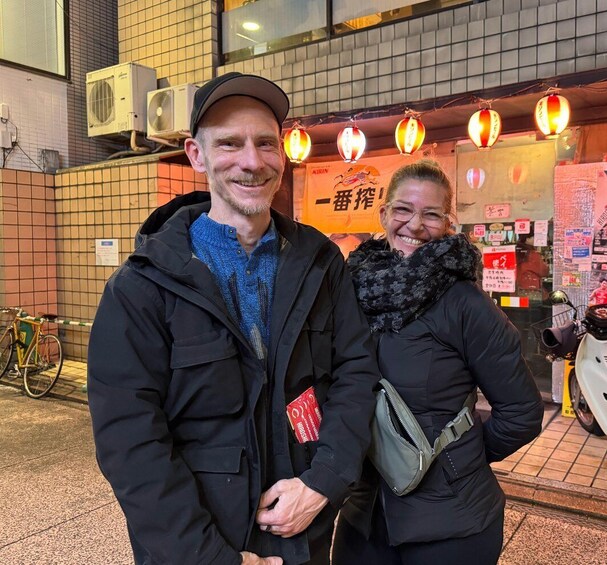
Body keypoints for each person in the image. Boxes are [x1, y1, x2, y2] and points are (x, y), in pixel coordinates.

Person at [87, 72, 380, 565]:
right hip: (197, 544)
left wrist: (322, 483)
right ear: (195, 155)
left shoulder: (320, 261)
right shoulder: (142, 286)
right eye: (230, 143)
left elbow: (356, 373)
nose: (252, 161)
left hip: (300, 532)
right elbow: (131, 442)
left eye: (266, 143)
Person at [331, 160, 544, 565]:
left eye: (431, 214)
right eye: (403, 210)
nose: (414, 225)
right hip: (362, 513)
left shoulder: (465, 304)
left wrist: (455, 461)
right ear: (384, 215)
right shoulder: (351, 289)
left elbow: (522, 413)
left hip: (450, 523)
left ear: (448, 223)